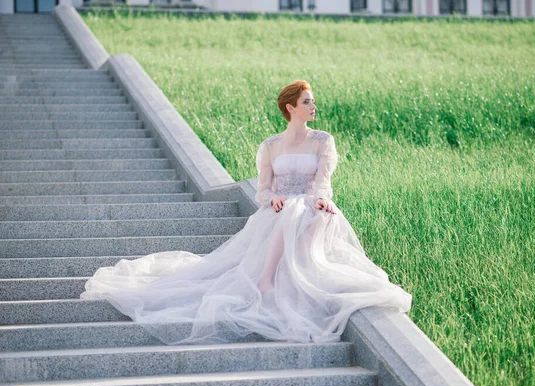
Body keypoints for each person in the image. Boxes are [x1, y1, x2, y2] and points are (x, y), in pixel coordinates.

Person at [81, 80, 412, 344]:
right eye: (308, 101)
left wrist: (318, 200)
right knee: (288, 210)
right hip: (278, 210)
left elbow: (322, 182)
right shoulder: (270, 145)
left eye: (312, 101)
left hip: (312, 206)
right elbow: (263, 188)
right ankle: (266, 280)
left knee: (303, 210)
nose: (314, 106)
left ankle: (289, 276)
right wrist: (272, 200)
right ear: (290, 107)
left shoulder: (323, 141)